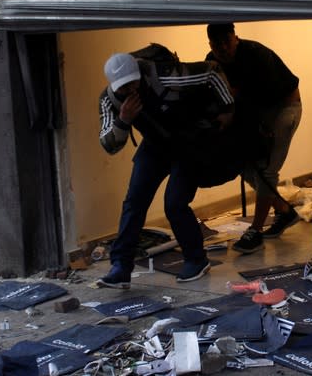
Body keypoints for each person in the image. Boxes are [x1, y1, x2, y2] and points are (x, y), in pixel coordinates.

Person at [97, 43, 237, 288]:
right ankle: (121, 266)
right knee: (134, 202)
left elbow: (212, 71)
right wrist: (124, 120)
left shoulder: (164, 75)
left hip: (187, 142)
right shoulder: (109, 101)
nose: (131, 90)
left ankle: (196, 259)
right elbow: (109, 144)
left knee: (174, 203)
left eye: (133, 82)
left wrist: (227, 109)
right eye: (123, 88)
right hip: (154, 146)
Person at [206, 23, 302, 254]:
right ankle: (284, 211)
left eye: (226, 42)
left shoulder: (256, 55)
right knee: (245, 164)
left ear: (235, 38)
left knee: (267, 169)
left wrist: (262, 127)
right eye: (217, 45)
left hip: (283, 107)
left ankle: (255, 231)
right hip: (252, 114)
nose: (223, 49)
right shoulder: (212, 61)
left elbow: (269, 95)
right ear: (210, 45)